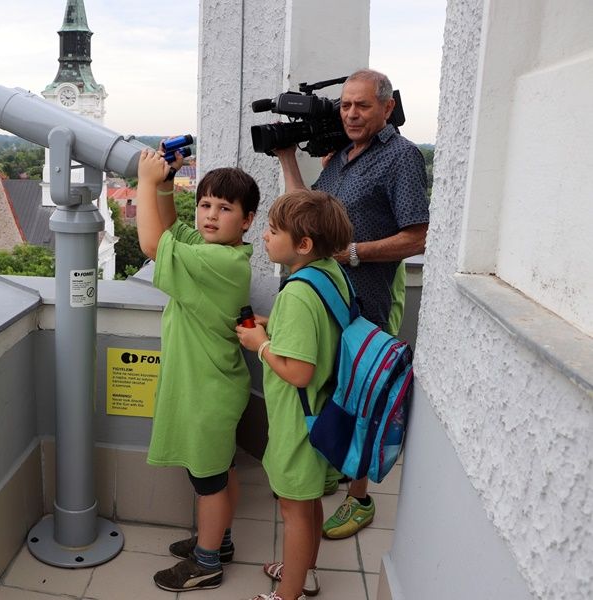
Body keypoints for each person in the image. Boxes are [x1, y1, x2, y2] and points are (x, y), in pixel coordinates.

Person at [274, 68, 429, 545]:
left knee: (360, 392)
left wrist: (355, 253)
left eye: (362, 105)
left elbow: (418, 236)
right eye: (345, 106)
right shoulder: (339, 156)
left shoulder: (401, 157)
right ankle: (330, 465)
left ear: (387, 107)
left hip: (366, 300)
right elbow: (306, 214)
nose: (352, 114)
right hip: (330, 296)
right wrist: (287, 158)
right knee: (331, 385)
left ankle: (359, 497)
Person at [136, 146, 261, 592]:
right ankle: (219, 541)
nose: (210, 215)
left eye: (225, 208)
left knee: (208, 482)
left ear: (246, 221)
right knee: (220, 471)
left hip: (206, 394)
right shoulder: (217, 251)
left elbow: (153, 244)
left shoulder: (219, 262)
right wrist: (167, 185)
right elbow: (172, 229)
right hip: (213, 387)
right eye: (205, 204)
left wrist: (145, 181)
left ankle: (207, 562)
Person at [236, 189, 353, 600]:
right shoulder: (329, 273)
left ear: (302, 245)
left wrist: (260, 344)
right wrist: (275, 324)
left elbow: (300, 373)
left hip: (300, 421)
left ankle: (287, 595)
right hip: (325, 412)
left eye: (273, 230)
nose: (265, 236)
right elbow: (321, 329)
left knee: (294, 510)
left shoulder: (297, 294)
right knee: (310, 501)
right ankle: (305, 571)